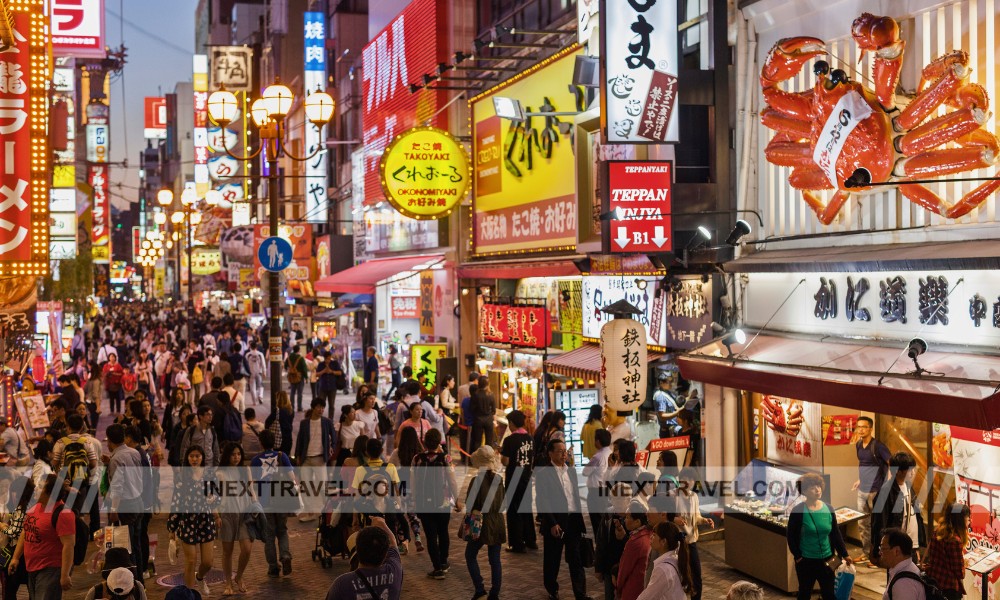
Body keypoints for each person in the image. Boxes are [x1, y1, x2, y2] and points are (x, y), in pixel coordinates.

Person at [537, 439, 589, 600]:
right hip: (556, 522)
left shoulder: (571, 471)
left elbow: (574, 496)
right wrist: (552, 523)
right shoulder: (544, 473)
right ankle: (552, 589)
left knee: (576, 559)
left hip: (572, 520)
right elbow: (543, 500)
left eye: (565, 450)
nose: (563, 453)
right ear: (550, 453)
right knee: (552, 559)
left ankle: (580, 594)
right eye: (559, 451)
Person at [786, 473, 852, 600]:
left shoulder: (829, 508)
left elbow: (835, 533)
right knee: (804, 593)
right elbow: (791, 536)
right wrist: (798, 556)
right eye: (812, 487)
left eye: (818, 486)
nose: (817, 490)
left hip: (827, 559)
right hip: (806, 560)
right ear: (804, 491)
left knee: (829, 594)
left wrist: (844, 553)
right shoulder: (798, 511)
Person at [9, 474, 75, 600]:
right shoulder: (36, 507)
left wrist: (65, 575)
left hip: (51, 569)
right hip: (32, 567)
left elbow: (69, 545)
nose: (35, 488)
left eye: (40, 487)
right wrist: (16, 557)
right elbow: (26, 531)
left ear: (51, 493)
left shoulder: (63, 514)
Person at [166, 446, 219, 596]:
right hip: (187, 522)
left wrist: (213, 502)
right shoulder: (182, 476)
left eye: (197, 456)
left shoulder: (210, 475)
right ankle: (189, 595)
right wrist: (172, 529)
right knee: (190, 560)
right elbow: (176, 502)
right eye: (191, 456)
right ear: (187, 458)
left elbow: (217, 497)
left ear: (202, 457)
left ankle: (200, 577)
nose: (195, 459)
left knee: (208, 562)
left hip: (205, 521)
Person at [413, 428, 462, 579]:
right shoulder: (445, 458)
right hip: (443, 502)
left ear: (424, 442)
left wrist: (415, 502)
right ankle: (444, 561)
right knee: (443, 532)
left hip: (424, 503)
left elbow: (413, 482)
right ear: (439, 442)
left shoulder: (417, 459)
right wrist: (457, 500)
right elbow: (452, 480)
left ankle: (437, 568)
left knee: (431, 536)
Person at [249, 430, 295, 578]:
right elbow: (291, 477)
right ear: (274, 441)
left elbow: (252, 483)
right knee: (282, 530)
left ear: (261, 443)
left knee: (269, 535)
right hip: (281, 499)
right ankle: (285, 555)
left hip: (265, 501)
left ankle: (273, 566)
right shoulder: (282, 456)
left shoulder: (256, 460)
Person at [464, 446, 506, 600]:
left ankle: (480, 589)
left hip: (480, 523)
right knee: (495, 560)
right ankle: (494, 593)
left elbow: (470, 505)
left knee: (470, 555)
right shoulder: (499, 479)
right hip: (497, 522)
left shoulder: (476, 480)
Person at [324, 517, 401, 600]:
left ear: (358, 551)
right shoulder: (395, 570)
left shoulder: (342, 584)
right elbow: (393, 542)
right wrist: (381, 522)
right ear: (385, 553)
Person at [106, 423, 146, 573]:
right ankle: (139, 580)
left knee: (125, 548)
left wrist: (114, 510)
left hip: (125, 506)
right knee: (136, 545)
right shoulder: (134, 452)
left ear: (110, 441)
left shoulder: (116, 459)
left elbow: (117, 487)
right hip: (138, 502)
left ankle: (132, 580)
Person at [852, 415, 891, 564]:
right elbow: (865, 465)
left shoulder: (878, 446)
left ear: (871, 428)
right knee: (863, 524)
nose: (861, 430)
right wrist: (860, 480)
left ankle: (878, 556)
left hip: (876, 491)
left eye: (864, 427)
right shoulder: (858, 445)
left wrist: (887, 484)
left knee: (878, 525)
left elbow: (891, 463)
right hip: (862, 491)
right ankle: (866, 553)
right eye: (859, 427)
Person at [216, 442, 253, 595]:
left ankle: (238, 576)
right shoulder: (220, 473)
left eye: (238, 454)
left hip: (244, 514)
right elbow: (215, 496)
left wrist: (256, 506)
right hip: (227, 514)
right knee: (227, 551)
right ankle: (228, 583)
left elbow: (251, 490)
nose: (236, 457)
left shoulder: (245, 470)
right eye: (233, 454)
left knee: (247, 549)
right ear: (227, 455)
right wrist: (216, 515)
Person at [871, 451, 920, 567]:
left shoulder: (907, 486)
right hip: (897, 547)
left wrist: (917, 545)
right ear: (898, 471)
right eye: (910, 469)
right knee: (897, 578)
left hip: (909, 544)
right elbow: (879, 523)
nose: (913, 472)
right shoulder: (885, 491)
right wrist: (879, 549)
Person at [499, 409, 537, 553]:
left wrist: (502, 452)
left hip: (514, 477)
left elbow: (505, 462)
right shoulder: (530, 439)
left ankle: (517, 543)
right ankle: (531, 540)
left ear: (512, 423)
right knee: (526, 508)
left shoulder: (510, 440)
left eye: (509, 422)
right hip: (526, 476)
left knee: (514, 510)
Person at [675, 467, 714, 600]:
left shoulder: (694, 496)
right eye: (686, 479)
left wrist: (704, 520)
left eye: (692, 479)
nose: (689, 482)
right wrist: (675, 519)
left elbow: (696, 516)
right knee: (680, 574)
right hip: (678, 542)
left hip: (691, 541)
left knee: (696, 575)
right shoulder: (673, 496)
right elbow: (666, 517)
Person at [293, 399, 335, 522]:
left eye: (323, 407)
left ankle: (328, 511)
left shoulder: (327, 422)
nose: (321, 410)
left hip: (320, 458)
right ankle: (311, 512)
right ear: (313, 408)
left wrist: (331, 447)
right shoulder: (305, 423)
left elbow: (334, 437)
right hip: (306, 459)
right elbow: (300, 440)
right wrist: (298, 457)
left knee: (322, 487)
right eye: (318, 407)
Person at [923, 503, 970, 600]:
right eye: (968, 517)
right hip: (948, 588)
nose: (969, 520)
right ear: (960, 520)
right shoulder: (955, 541)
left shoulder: (938, 531)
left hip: (934, 583)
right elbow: (960, 573)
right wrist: (964, 564)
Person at [637, 521, 693, 600]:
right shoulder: (675, 559)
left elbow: (647, 597)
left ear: (663, 541)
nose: (651, 537)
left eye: (654, 535)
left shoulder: (663, 569)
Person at [2, 477, 34, 600]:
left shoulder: (21, 509)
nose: (13, 495)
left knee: (10, 588)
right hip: (29, 552)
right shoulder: (32, 505)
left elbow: (14, 532)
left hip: (18, 552)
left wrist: (2, 527)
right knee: (31, 588)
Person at [617, 502, 652, 600]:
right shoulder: (650, 534)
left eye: (628, 517)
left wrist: (618, 587)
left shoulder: (635, 542)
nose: (625, 520)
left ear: (637, 522)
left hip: (633, 589)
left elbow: (624, 569)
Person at [880, 527, 927, 600]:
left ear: (896, 551)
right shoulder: (903, 569)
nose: (880, 553)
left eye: (883, 548)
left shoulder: (904, 584)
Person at [583, 428, 612, 536]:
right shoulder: (610, 452)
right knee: (604, 518)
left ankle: (600, 545)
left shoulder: (597, 456)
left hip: (595, 491)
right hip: (605, 489)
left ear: (598, 441)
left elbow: (585, 472)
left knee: (597, 521)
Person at [470, 376, 495, 454]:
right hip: (489, 420)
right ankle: (488, 459)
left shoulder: (475, 395)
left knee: (477, 441)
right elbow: (494, 410)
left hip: (478, 420)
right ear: (487, 384)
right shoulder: (491, 395)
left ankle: (476, 459)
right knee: (489, 441)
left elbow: (471, 408)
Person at [284, 346, 307, 412]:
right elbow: (304, 368)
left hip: (291, 377)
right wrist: (306, 377)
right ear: (299, 350)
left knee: (292, 392)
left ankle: (292, 406)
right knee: (299, 393)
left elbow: (285, 366)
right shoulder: (300, 358)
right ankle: (299, 407)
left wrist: (289, 370)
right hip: (300, 377)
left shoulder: (289, 357)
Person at [245, 340, 265, 407]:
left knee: (252, 387)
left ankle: (254, 402)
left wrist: (246, 374)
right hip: (258, 372)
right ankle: (260, 396)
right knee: (260, 386)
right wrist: (264, 372)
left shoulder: (248, 354)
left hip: (251, 373)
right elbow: (263, 364)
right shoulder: (260, 354)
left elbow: (245, 365)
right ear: (256, 347)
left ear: (250, 346)